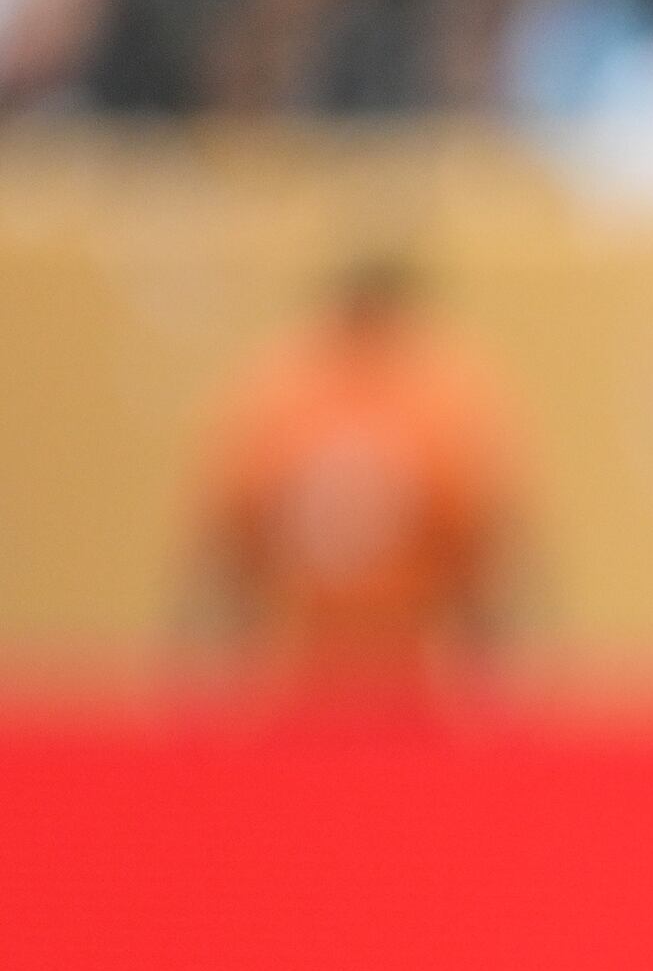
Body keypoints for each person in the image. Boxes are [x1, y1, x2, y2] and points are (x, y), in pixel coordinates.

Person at [181, 248, 522, 700]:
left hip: (394, 675)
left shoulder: (279, 392)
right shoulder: (440, 397)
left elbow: (482, 556)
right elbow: (229, 547)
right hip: (313, 674)